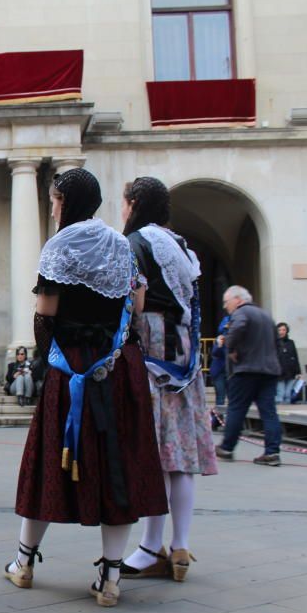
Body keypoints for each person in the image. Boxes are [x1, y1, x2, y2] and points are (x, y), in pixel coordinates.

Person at [8, 168, 167, 608]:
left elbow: (45, 314)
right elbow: (136, 304)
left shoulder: (59, 246)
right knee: (118, 461)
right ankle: (111, 577)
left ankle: (24, 563)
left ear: (67, 202)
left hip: (71, 367)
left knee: (47, 463)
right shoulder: (120, 243)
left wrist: (49, 362)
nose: (54, 207)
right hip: (118, 365)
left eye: (56, 200)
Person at [118, 176, 217, 584]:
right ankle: (181, 546)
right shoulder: (182, 245)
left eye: (125, 203)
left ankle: (149, 547)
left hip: (151, 345)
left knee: (156, 451)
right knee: (180, 457)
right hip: (183, 348)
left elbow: (130, 299)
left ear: (136, 203)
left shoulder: (136, 242)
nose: (122, 211)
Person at [215, 286, 283, 466]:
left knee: (236, 409)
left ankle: (227, 447)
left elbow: (237, 329)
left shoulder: (241, 313)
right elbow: (277, 342)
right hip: (268, 371)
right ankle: (272, 452)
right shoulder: (266, 315)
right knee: (269, 412)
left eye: (226, 302)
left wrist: (230, 347)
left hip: (245, 369)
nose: (225, 306)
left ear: (237, 299)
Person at [275, 322, 301, 404]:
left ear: (287, 331)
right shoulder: (274, 342)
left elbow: (295, 357)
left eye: (284, 330)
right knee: (281, 393)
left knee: (288, 394)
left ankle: (287, 409)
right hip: (279, 372)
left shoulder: (291, 342)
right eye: (279, 330)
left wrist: (298, 371)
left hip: (290, 371)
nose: (281, 332)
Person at [210, 335, 228, 408]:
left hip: (230, 372)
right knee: (220, 397)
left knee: (233, 397)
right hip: (219, 372)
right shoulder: (220, 339)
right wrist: (220, 345)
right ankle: (219, 417)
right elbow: (214, 352)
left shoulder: (234, 340)